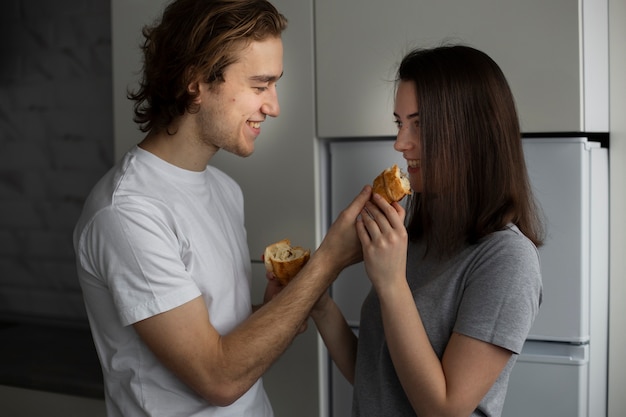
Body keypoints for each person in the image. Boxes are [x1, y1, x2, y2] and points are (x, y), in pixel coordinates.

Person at [73, 0, 369, 416]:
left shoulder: (225, 189)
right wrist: (328, 263)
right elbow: (219, 377)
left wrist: (275, 311)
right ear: (195, 81)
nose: (274, 105)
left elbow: (206, 327)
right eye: (259, 85)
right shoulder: (127, 214)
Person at [312, 44, 544, 417]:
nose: (400, 143)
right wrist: (319, 303)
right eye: (399, 123)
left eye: (419, 124)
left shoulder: (506, 260)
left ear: (473, 131)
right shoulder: (413, 239)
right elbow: (376, 377)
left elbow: (444, 409)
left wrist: (390, 283)